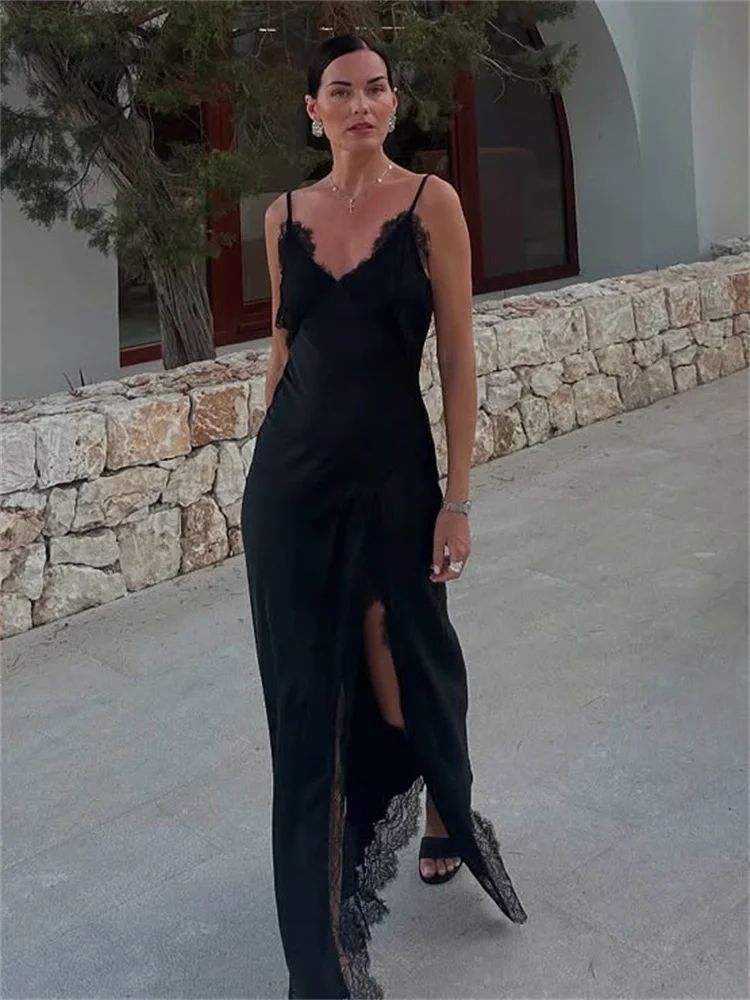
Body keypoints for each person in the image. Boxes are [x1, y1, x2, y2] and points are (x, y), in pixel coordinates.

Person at [240, 32, 528, 1000]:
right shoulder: (283, 214)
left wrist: (458, 497)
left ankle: (445, 802)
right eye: (339, 91)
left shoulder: (430, 203)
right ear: (312, 110)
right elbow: (284, 343)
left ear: (393, 105)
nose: (359, 103)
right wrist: (256, 472)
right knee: (305, 703)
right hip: (291, 486)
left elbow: (455, 357)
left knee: (409, 675)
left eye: (375, 89)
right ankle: (318, 952)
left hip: (398, 482)